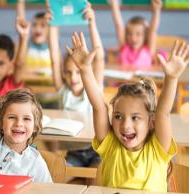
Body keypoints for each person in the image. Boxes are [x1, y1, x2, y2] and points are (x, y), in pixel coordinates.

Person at [68, 32, 188, 191]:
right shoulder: (110, 145)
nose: (125, 125)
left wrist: (171, 78)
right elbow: (99, 106)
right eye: (118, 116)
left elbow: (163, 113)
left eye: (135, 118)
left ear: (152, 122)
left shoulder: (157, 149)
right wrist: (85, 69)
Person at [0, 41, 52, 182]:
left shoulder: (37, 163)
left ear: (36, 126)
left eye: (26, 119)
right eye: (12, 117)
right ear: (1, 122)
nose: (18, 123)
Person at [48, 2, 104, 177]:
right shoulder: (63, 90)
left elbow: (99, 58)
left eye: (78, 73)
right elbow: (55, 59)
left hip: (96, 151)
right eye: (68, 73)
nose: (73, 77)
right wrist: (53, 24)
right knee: (59, 180)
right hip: (73, 153)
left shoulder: (93, 87)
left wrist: (91, 23)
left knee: (97, 183)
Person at [109, 0, 162, 70]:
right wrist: (114, 5)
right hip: (123, 81)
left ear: (145, 36)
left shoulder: (148, 49)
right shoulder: (124, 47)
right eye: (129, 34)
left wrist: (156, 10)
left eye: (138, 34)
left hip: (143, 81)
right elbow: (119, 26)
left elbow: (153, 30)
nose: (133, 38)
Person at [17, 0, 51, 73]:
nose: (37, 29)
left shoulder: (52, 46)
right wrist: (21, 2)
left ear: (50, 29)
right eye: (34, 25)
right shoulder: (26, 45)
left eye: (42, 25)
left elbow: (51, 12)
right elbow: (21, 21)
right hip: (28, 83)